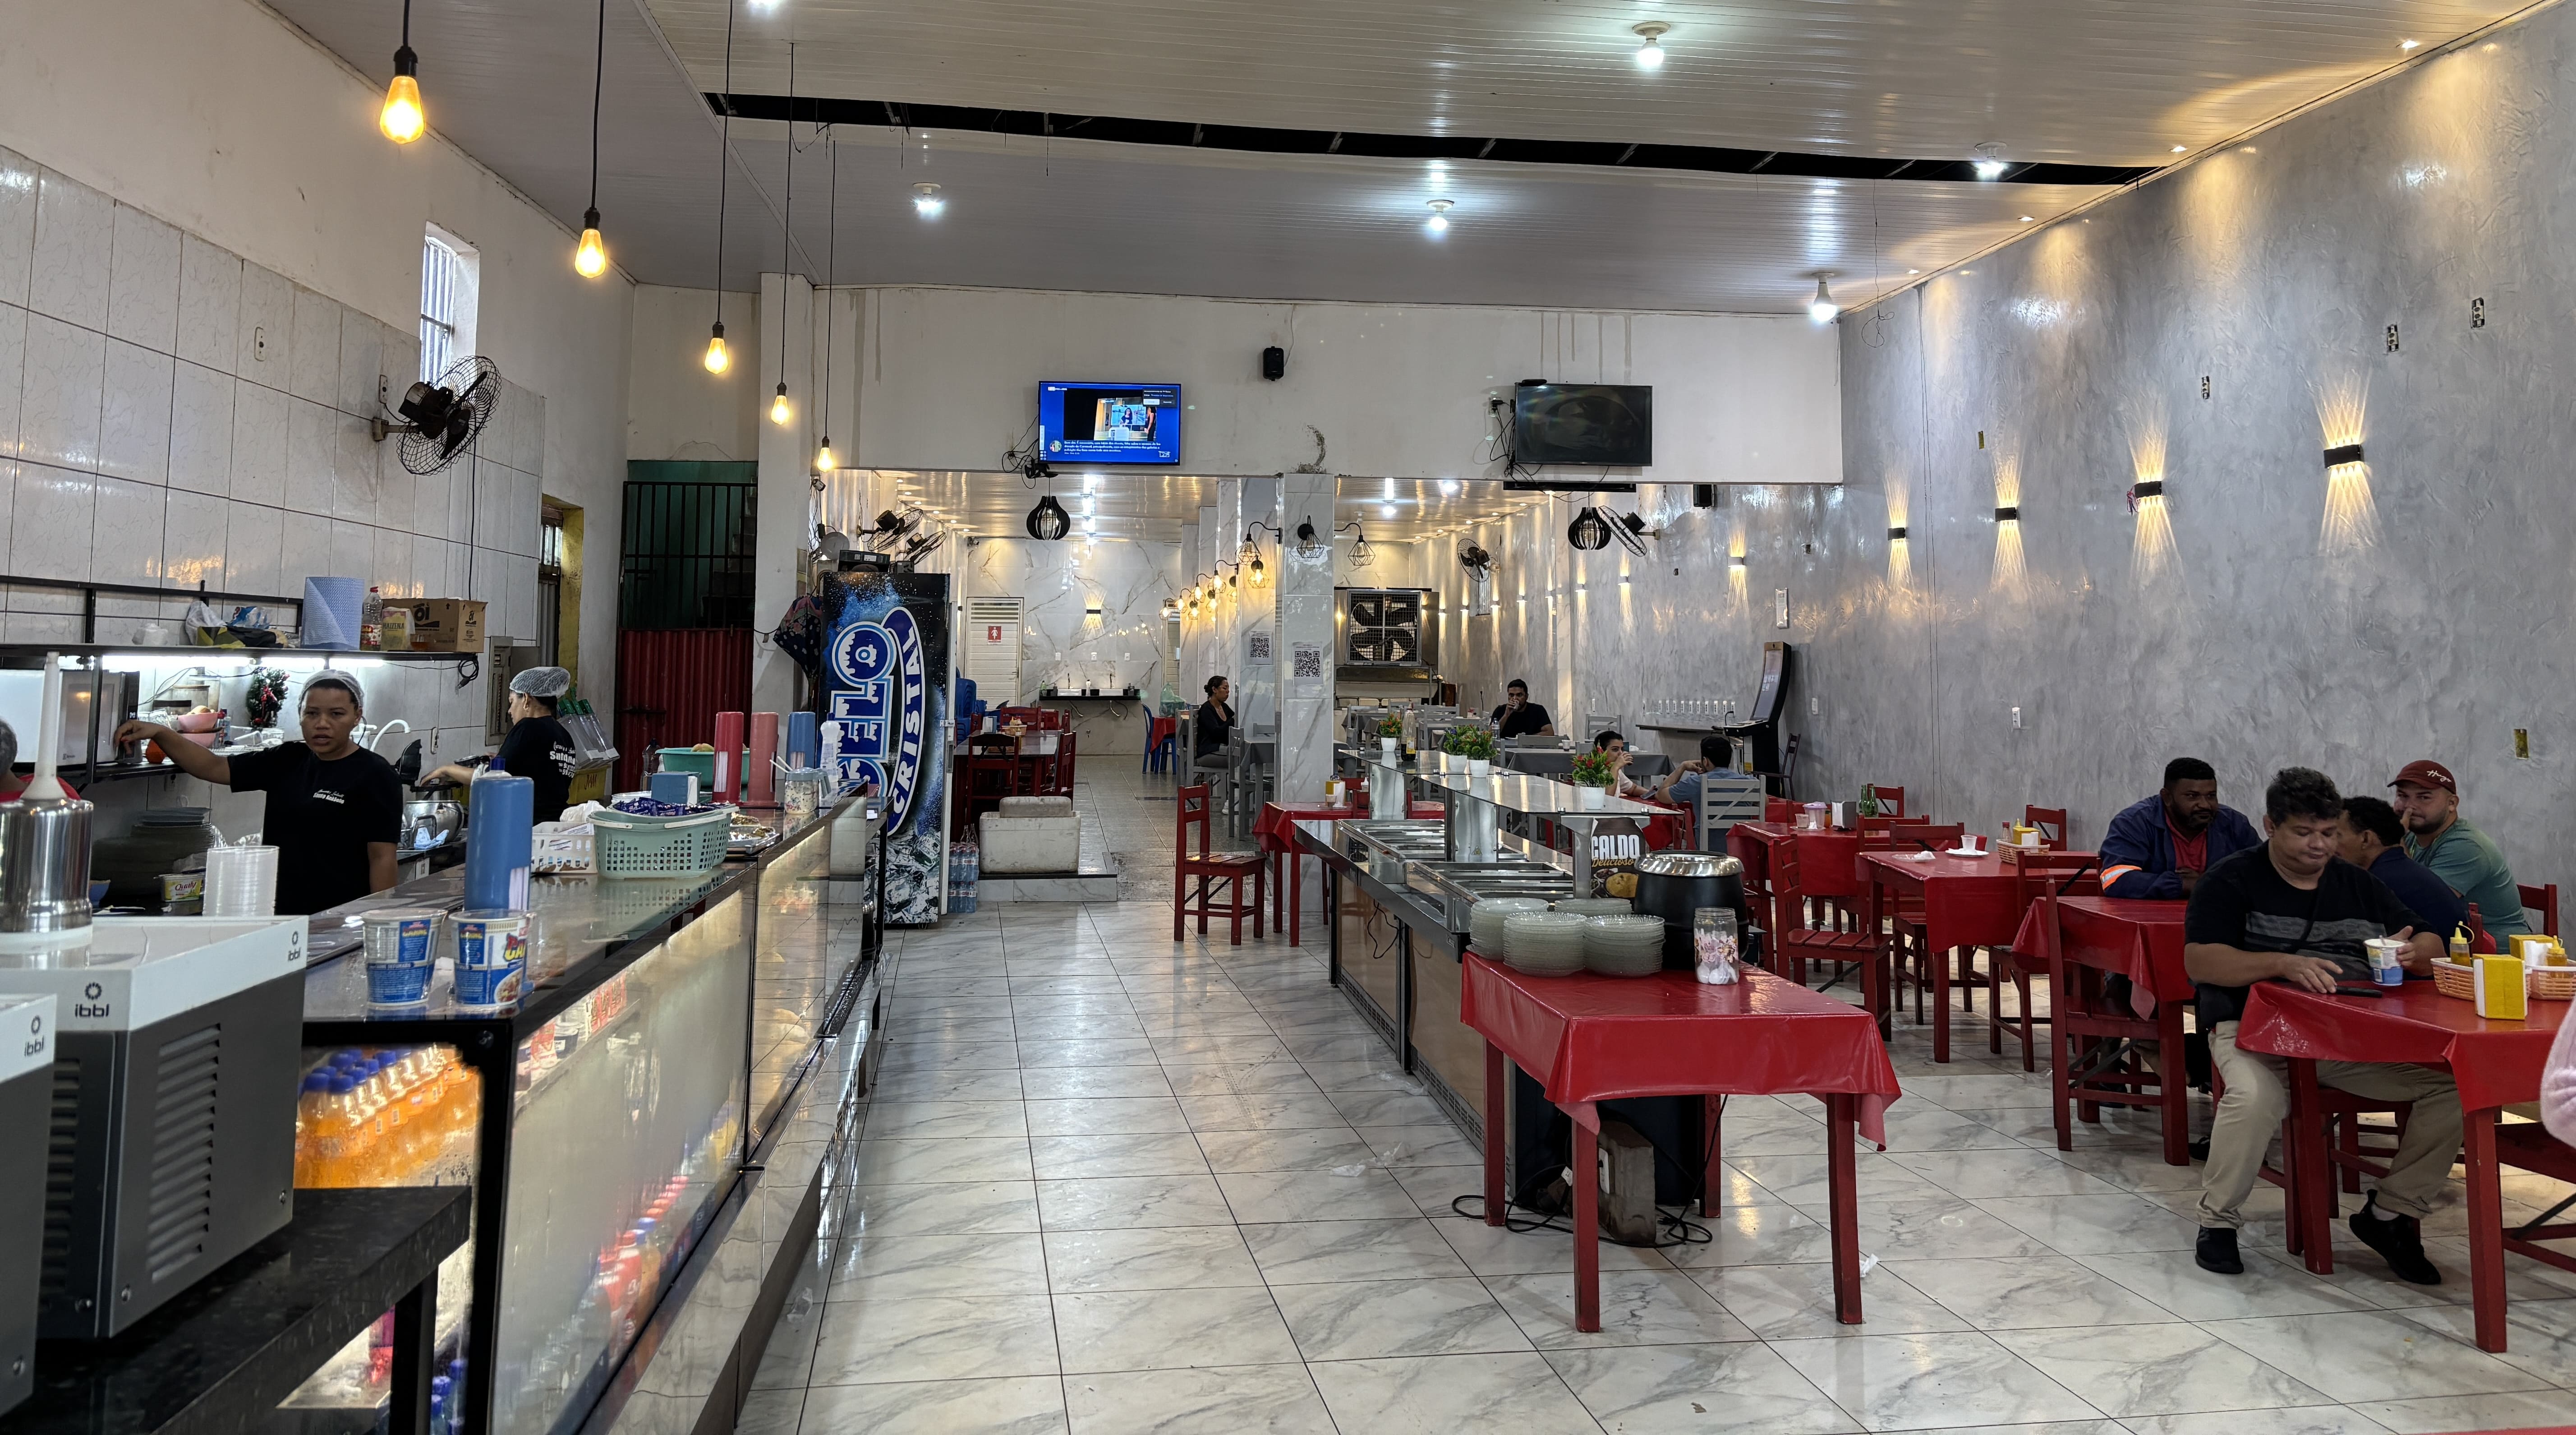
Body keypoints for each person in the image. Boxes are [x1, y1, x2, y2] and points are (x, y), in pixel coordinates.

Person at [2183, 767, 2456, 1284]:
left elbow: (2430, 942)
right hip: (2251, 1030)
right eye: (2303, 833)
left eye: (2330, 833)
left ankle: (2389, 1214)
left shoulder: (2356, 883)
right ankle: (2217, 1222)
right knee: (2255, 1098)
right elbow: (2200, 963)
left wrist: (2416, 951)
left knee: (2452, 1089)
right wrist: (2280, 963)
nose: (2319, 845)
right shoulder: (2232, 879)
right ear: (2270, 825)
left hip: (2339, 1039)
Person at [116, 670, 400, 915]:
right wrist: (160, 733)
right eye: (312, 713)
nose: (322, 723)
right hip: (280, 911)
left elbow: (382, 858)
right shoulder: (288, 759)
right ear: (301, 715)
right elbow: (212, 766)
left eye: (336, 714)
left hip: (341, 914)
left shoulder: (375, 774)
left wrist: (379, 920)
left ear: (356, 717)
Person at [2388, 759, 2528, 941]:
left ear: (2452, 803)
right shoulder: (2410, 836)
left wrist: (2394, 836)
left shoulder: (2466, 846)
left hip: (2496, 958)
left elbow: (2423, 905)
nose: (2409, 807)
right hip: (2450, 944)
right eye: (2403, 796)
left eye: (2424, 797)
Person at [423, 667, 580, 822]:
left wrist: (447, 769)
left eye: (512, 702)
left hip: (526, 827)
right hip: (554, 826)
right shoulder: (564, 735)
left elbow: (492, 778)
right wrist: (501, 759)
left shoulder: (528, 727)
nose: (510, 711)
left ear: (526, 699)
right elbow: (540, 774)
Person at [2102, 757, 2261, 899]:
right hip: (2155, 922)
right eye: (2193, 796)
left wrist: (2205, 881)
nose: (2205, 805)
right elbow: (2116, 878)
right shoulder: (2134, 822)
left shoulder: (2233, 823)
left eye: (2211, 796)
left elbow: (2264, 873)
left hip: (2220, 921)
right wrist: (2181, 884)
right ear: (2167, 798)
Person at [2338, 795, 2470, 946]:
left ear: (2366, 839)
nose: (2326, 844)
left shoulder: (2378, 882)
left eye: (2335, 835)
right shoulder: (2402, 871)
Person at [1654, 733, 1736, 810]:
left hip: (1703, 826)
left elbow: (1661, 795)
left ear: (1705, 761)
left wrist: (1683, 766)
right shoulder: (1747, 781)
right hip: (1738, 826)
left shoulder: (1695, 782)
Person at [1592, 730, 1651, 798]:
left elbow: (1633, 789)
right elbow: (1607, 799)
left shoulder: (1616, 770)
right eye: (1615, 750)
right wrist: (1616, 768)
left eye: (1622, 749)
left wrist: (1650, 793)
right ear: (1600, 751)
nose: (1621, 753)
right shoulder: (1592, 771)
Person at [1489, 679, 1554, 740]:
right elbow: (1489, 736)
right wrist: (1506, 716)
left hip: (1530, 748)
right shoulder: (1500, 710)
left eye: (1519, 695)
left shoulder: (1538, 710)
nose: (1515, 699)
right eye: (1511, 695)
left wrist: (1525, 740)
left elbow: (1550, 733)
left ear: (1527, 697)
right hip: (1504, 749)